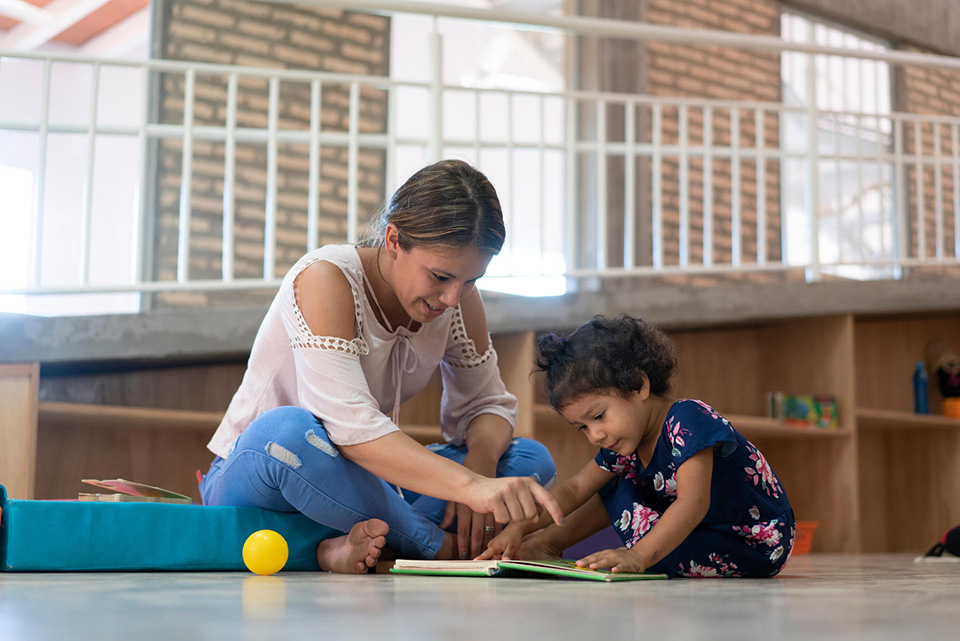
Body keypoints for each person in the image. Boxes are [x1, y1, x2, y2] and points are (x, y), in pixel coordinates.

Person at [199, 159, 562, 574]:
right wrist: (471, 488)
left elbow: (488, 405)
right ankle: (434, 549)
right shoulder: (326, 279)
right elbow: (350, 429)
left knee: (526, 461)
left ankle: (342, 545)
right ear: (392, 240)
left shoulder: (457, 302)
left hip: (363, 490)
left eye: (471, 281)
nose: (452, 298)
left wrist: (479, 468)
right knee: (287, 432)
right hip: (271, 471)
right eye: (440, 276)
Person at [479, 314, 795, 578]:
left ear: (639, 385)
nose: (595, 435)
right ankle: (547, 544)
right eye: (583, 428)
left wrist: (638, 556)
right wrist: (517, 529)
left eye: (599, 416)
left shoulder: (688, 418)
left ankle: (635, 555)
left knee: (627, 502)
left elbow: (693, 503)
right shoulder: (626, 446)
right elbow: (575, 489)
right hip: (702, 532)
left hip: (750, 541)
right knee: (615, 482)